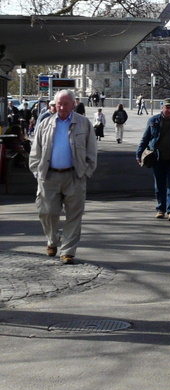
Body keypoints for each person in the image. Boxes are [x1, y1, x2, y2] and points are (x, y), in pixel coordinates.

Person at [27, 89, 99, 264]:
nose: (62, 107)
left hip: (75, 176)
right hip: (49, 176)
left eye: (66, 103)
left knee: (74, 215)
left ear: (73, 104)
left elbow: (92, 151)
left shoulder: (83, 124)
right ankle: (52, 240)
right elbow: (35, 152)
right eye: (59, 103)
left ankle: (68, 251)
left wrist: (86, 172)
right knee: (47, 212)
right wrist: (37, 172)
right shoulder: (45, 124)